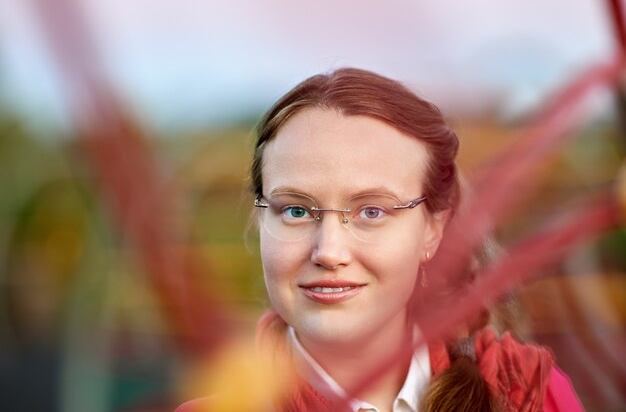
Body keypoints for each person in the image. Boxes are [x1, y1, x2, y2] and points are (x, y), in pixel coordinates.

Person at [176, 68, 585, 412]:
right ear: (260, 219)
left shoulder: (530, 394)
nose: (329, 252)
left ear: (433, 230)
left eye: (371, 211)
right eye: (296, 210)